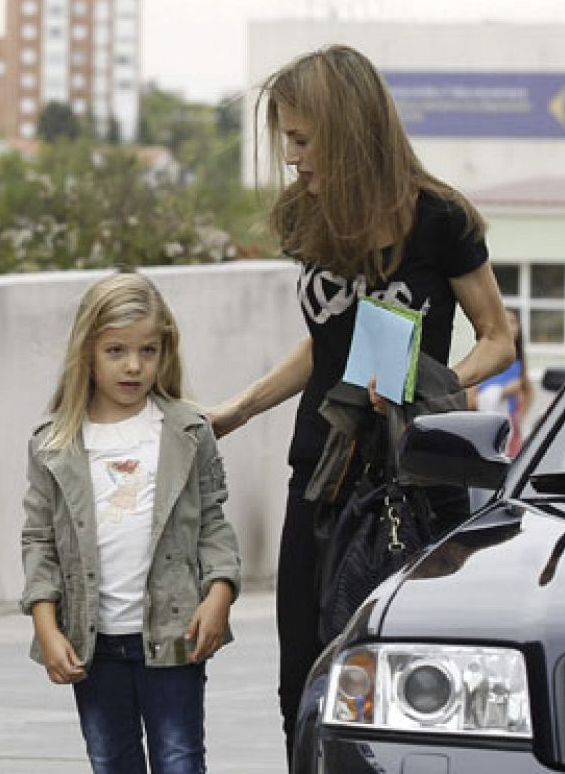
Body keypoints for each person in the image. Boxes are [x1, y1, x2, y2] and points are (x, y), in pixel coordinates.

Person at [202, 45, 513, 761]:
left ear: (347, 131)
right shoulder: (304, 216)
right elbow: (325, 340)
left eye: (302, 139)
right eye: (286, 139)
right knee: (300, 682)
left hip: (415, 481)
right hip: (321, 474)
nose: (291, 157)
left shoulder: (440, 219)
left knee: (400, 681)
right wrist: (240, 408)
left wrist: (436, 384)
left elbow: (498, 337)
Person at [20, 272, 241, 774]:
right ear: (87, 353)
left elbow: (213, 523)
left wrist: (220, 593)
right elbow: (38, 541)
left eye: (148, 350)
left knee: (180, 761)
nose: (134, 365)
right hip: (92, 645)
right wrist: (47, 626)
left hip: (174, 637)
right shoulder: (53, 444)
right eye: (116, 350)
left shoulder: (187, 430)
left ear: (165, 351)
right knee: (111, 763)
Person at [471, 308, 532, 456]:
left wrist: (520, 416)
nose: (510, 327)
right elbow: (471, 396)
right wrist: (502, 392)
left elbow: (528, 390)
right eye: (505, 322)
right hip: (485, 425)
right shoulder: (483, 358)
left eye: (513, 322)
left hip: (510, 427)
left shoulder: (518, 361)